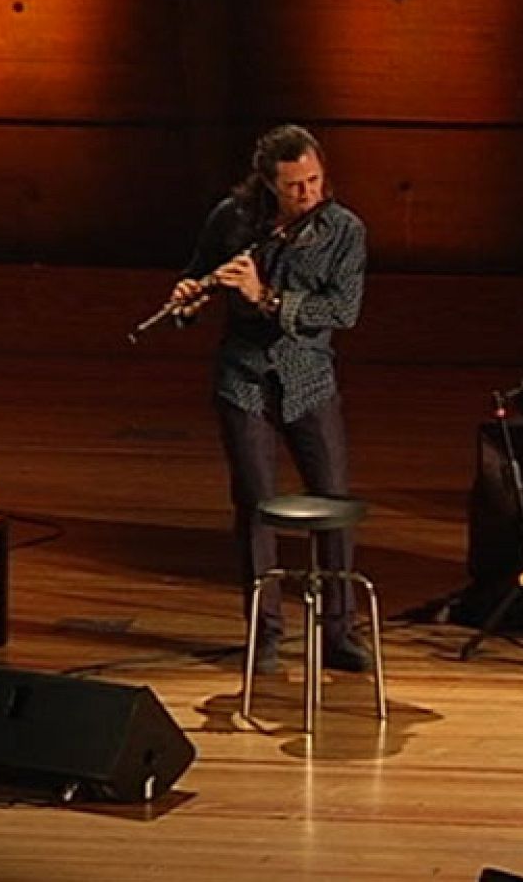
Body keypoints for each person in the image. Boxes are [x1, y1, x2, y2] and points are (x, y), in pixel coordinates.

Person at [168, 124, 369, 675]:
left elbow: (341, 311)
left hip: (309, 378)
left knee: (332, 503)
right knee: (255, 505)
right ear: (267, 183)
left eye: (314, 181)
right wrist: (188, 299)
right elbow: (196, 273)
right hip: (244, 377)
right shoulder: (232, 220)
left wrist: (267, 296)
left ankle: (339, 633)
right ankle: (266, 633)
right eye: (294, 186)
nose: (307, 194)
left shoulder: (344, 230)